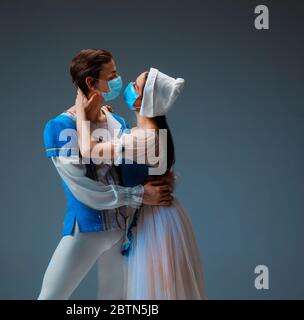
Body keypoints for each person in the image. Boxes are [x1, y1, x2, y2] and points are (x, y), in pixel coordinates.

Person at [38, 49, 174, 300]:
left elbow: (132, 167)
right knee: (51, 297)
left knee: (116, 301)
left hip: (124, 232)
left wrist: (159, 179)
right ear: (91, 82)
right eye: (112, 75)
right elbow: (84, 189)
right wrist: (141, 194)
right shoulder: (62, 127)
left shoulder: (117, 121)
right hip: (87, 228)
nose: (119, 80)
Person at [75, 67, 206, 299]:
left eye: (134, 87)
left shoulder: (145, 138)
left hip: (155, 222)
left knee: (155, 289)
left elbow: (90, 150)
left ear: (142, 103)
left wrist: (82, 114)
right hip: (162, 216)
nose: (128, 88)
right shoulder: (146, 133)